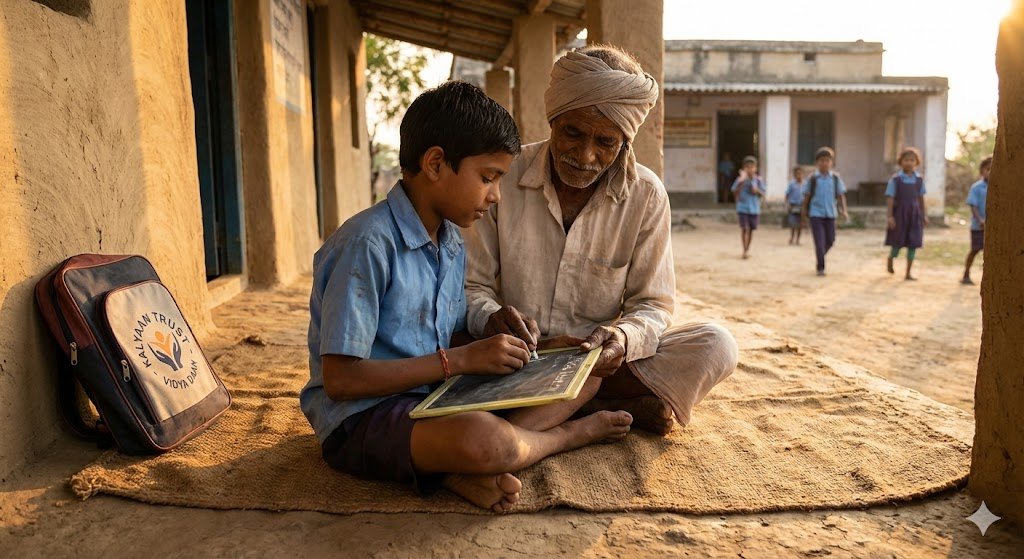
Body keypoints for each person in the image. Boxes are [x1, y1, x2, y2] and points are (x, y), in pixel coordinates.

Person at [300, 82, 633, 514]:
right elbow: (342, 382)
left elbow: (450, 337)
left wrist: (535, 353)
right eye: (488, 178)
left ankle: (457, 470)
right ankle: (557, 439)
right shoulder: (368, 244)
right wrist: (458, 362)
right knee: (485, 439)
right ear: (436, 163)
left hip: (435, 398)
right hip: (363, 418)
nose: (495, 196)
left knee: (584, 373)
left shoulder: (451, 242)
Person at [464, 45, 739, 438]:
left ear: (625, 142)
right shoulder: (503, 177)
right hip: (515, 356)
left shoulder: (646, 195)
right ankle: (597, 406)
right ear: (553, 120)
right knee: (447, 344)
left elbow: (653, 305)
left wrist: (621, 340)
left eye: (605, 142)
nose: (585, 155)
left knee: (717, 344)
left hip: (595, 365)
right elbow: (472, 285)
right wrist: (490, 318)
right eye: (572, 133)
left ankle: (583, 399)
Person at [802, 146, 849, 276]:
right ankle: (820, 267)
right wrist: (804, 213)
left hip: (831, 213)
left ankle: (820, 255)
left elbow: (841, 196)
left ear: (831, 162)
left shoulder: (835, 178)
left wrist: (844, 211)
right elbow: (806, 197)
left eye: (827, 160)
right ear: (817, 163)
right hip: (816, 214)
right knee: (819, 241)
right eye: (822, 160)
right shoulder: (812, 179)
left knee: (831, 240)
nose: (825, 163)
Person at [885, 147, 928, 280]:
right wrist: (890, 216)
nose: (909, 163)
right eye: (906, 160)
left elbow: (921, 198)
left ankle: (908, 273)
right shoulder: (895, 180)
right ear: (900, 162)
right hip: (900, 215)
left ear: (916, 162)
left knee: (913, 243)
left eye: (912, 160)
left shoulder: (919, 180)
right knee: (897, 241)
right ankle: (891, 258)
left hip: (914, 215)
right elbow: (890, 198)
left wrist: (924, 215)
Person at [961, 156, 992, 285]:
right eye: (987, 169)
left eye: (993, 169)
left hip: (993, 228)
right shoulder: (977, 187)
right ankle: (966, 273)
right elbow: (972, 205)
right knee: (975, 250)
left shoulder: (999, 187)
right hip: (978, 226)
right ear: (982, 171)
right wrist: (980, 220)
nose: (990, 172)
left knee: (990, 253)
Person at [731, 155, 765, 259]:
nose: (750, 169)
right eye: (747, 167)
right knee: (744, 228)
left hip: (754, 208)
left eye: (752, 167)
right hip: (742, 207)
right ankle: (744, 250)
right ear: (744, 168)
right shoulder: (740, 179)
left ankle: (747, 248)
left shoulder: (758, 180)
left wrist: (757, 191)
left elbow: (763, 193)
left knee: (750, 230)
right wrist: (742, 181)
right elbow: (733, 191)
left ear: (756, 168)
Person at [785, 167, 805, 245]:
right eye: (797, 174)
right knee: (793, 223)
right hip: (793, 205)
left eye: (800, 174)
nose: (799, 175)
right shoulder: (791, 184)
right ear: (794, 175)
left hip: (802, 206)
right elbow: (787, 194)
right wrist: (787, 204)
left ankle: (798, 239)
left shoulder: (805, 184)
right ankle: (792, 237)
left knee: (800, 224)